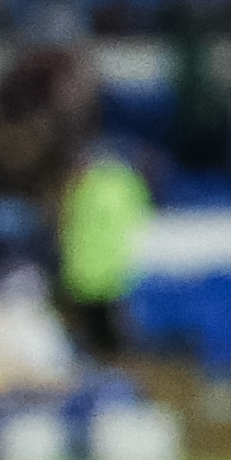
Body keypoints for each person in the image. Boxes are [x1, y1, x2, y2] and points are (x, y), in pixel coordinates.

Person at [57, 133, 149, 367]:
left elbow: (71, 227)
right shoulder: (123, 183)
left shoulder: (92, 185)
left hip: (106, 275)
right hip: (109, 273)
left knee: (107, 337)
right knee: (105, 337)